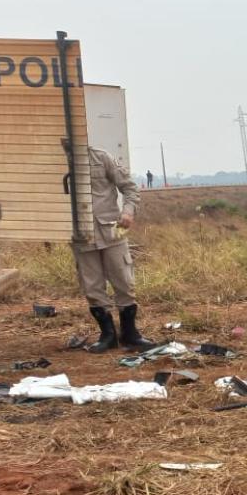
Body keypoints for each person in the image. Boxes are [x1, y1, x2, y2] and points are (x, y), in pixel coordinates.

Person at [73, 146, 155, 352]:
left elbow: (129, 187)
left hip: (113, 228)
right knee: (92, 286)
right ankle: (108, 336)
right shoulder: (55, 161)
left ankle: (130, 334)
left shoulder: (101, 157)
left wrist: (128, 212)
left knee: (124, 281)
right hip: (80, 233)